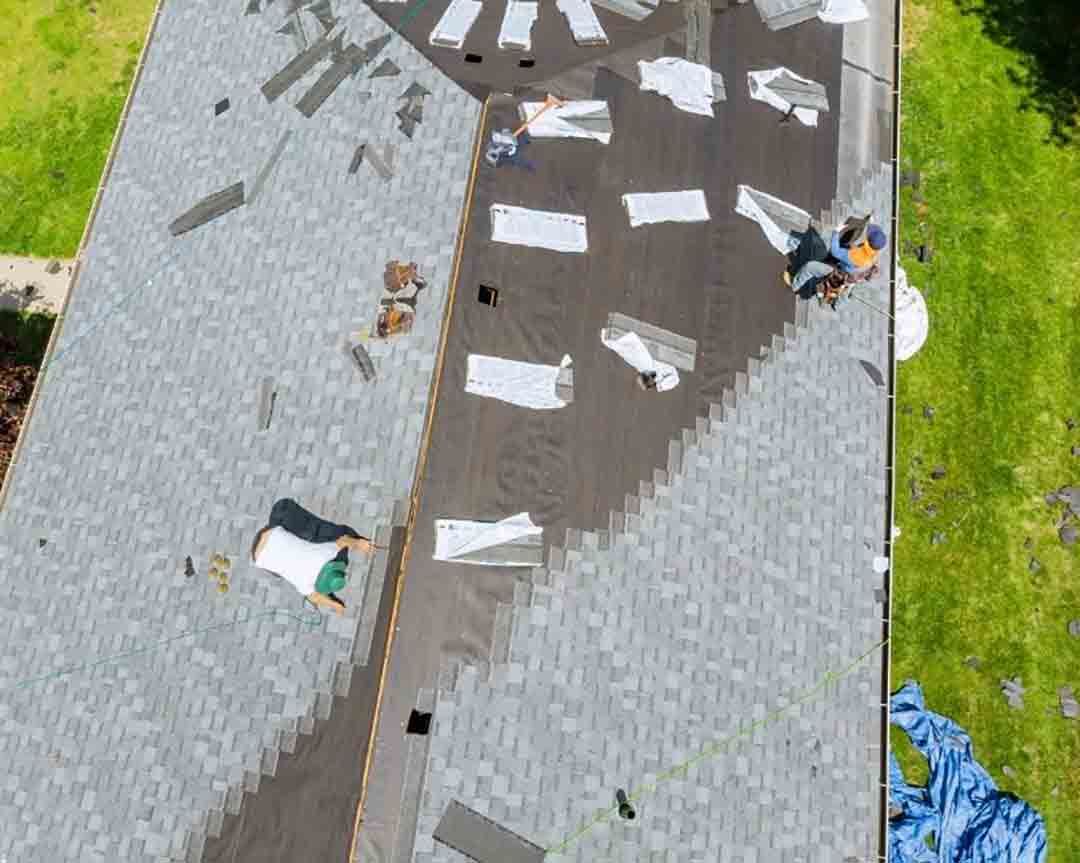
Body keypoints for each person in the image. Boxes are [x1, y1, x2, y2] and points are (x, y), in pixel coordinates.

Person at [250, 498, 375, 614]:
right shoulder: (305, 585)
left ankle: (300, 533)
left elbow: (344, 539)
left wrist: (360, 543)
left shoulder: (328, 553)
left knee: (339, 532)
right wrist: (334, 605)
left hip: (276, 526)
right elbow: (314, 597)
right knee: (284, 566)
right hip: (259, 558)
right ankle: (288, 539)